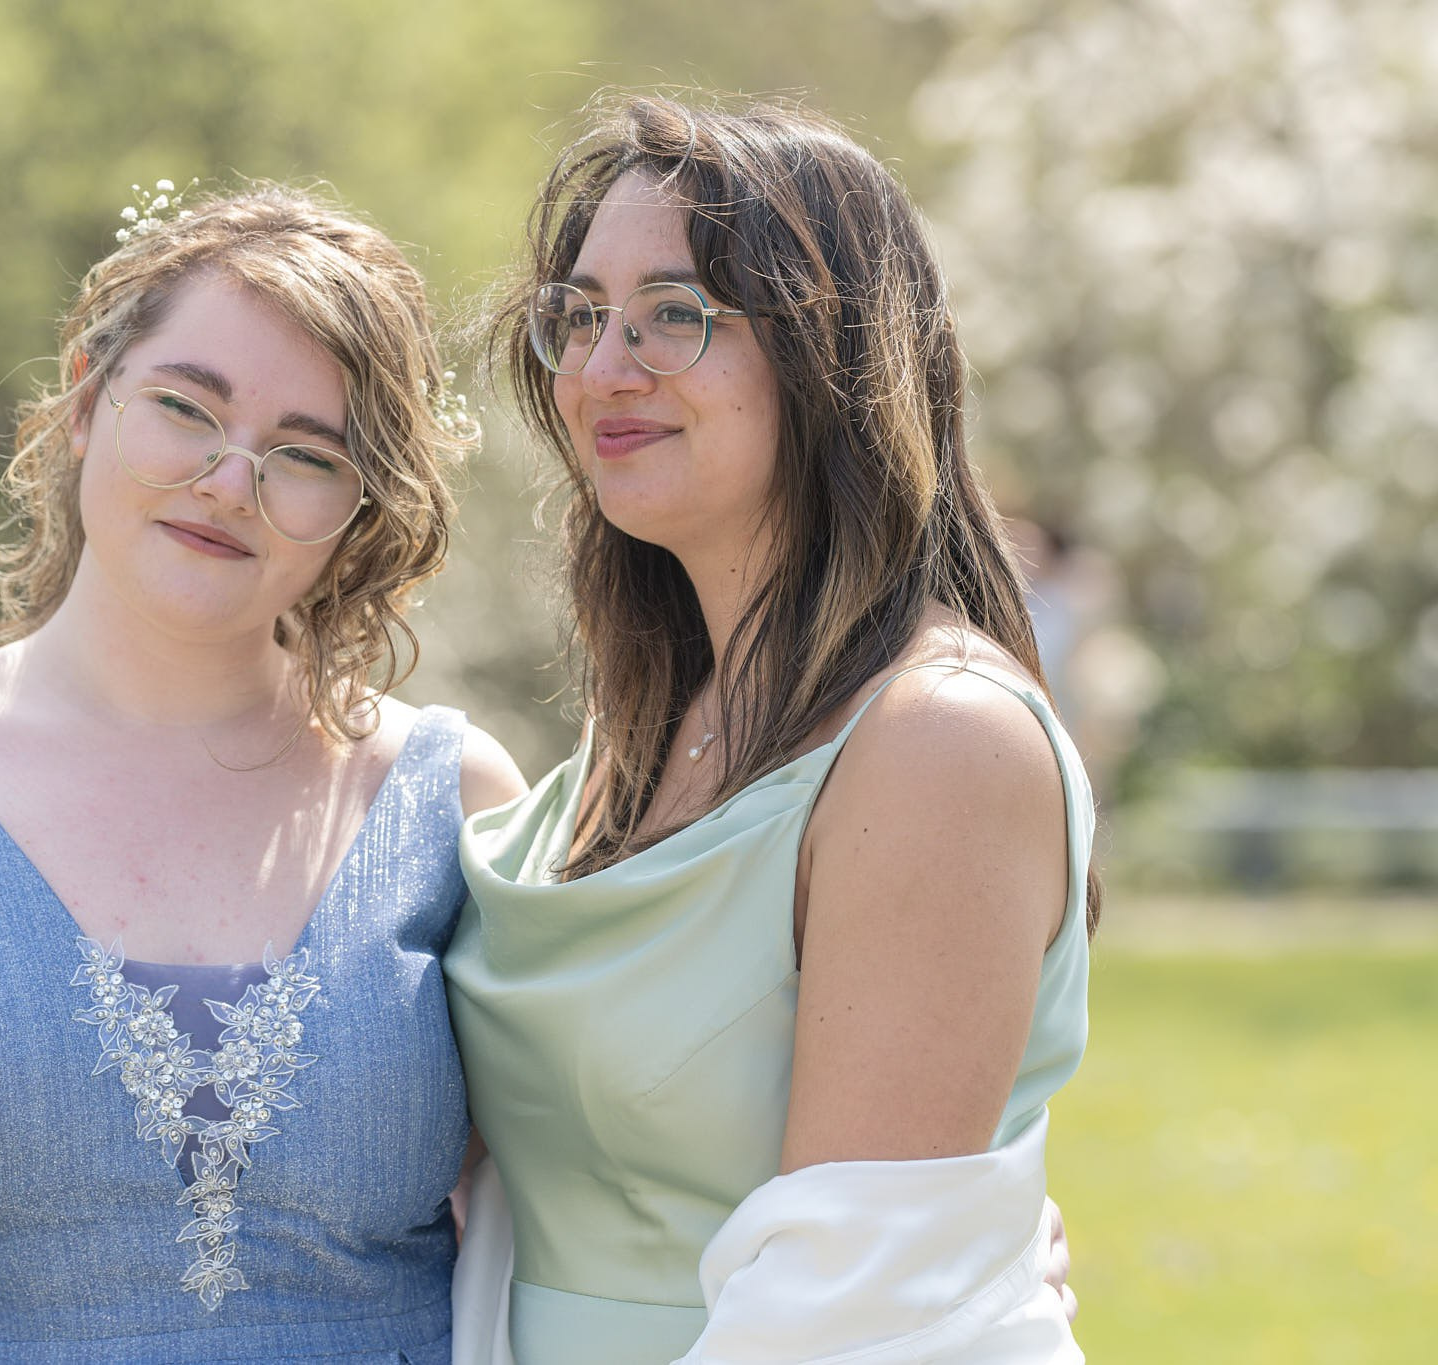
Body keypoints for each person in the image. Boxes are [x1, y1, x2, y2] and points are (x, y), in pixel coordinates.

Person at [0, 184, 526, 1364]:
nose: (229, 480)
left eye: (305, 454)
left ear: (361, 511)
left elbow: (553, 1243)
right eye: (187, 408)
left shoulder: (454, 803)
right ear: (87, 398)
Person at [446, 95, 1096, 1363]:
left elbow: (841, 1312)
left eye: (673, 316)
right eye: (578, 317)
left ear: (831, 350)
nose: (600, 369)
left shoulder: (937, 744)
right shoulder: (637, 745)